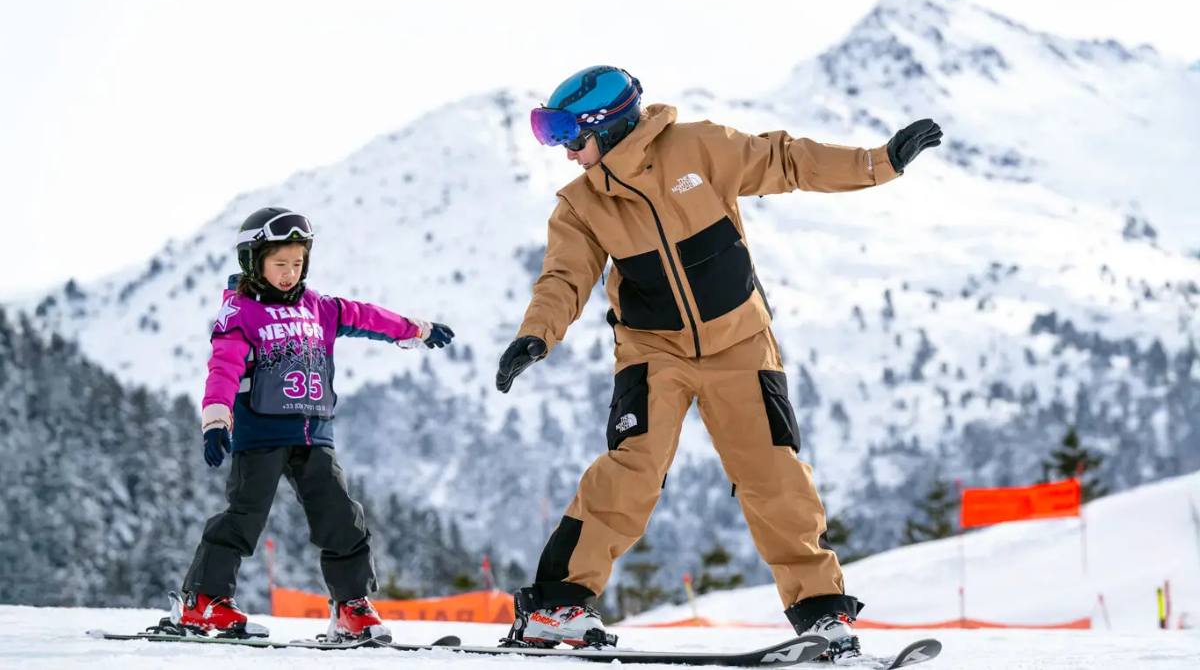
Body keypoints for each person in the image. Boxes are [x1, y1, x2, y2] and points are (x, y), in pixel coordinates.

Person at [495, 66, 940, 658]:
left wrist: (880, 161)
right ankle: (554, 608)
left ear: (611, 125)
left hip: (742, 344)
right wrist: (536, 335)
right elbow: (564, 277)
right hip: (653, 352)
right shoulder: (581, 205)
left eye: (572, 138)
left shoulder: (699, 147)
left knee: (774, 475)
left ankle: (823, 615)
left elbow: (788, 162)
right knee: (632, 471)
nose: (568, 154)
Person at [171, 207, 454, 642]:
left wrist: (416, 330)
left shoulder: (318, 307)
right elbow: (223, 369)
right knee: (244, 517)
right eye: (279, 263)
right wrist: (215, 421)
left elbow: (368, 317)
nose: (289, 273)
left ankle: (352, 605)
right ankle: (204, 601)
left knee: (340, 516)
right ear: (253, 262)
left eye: (297, 263)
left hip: (314, 435)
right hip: (261, 434)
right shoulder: (240, 314)